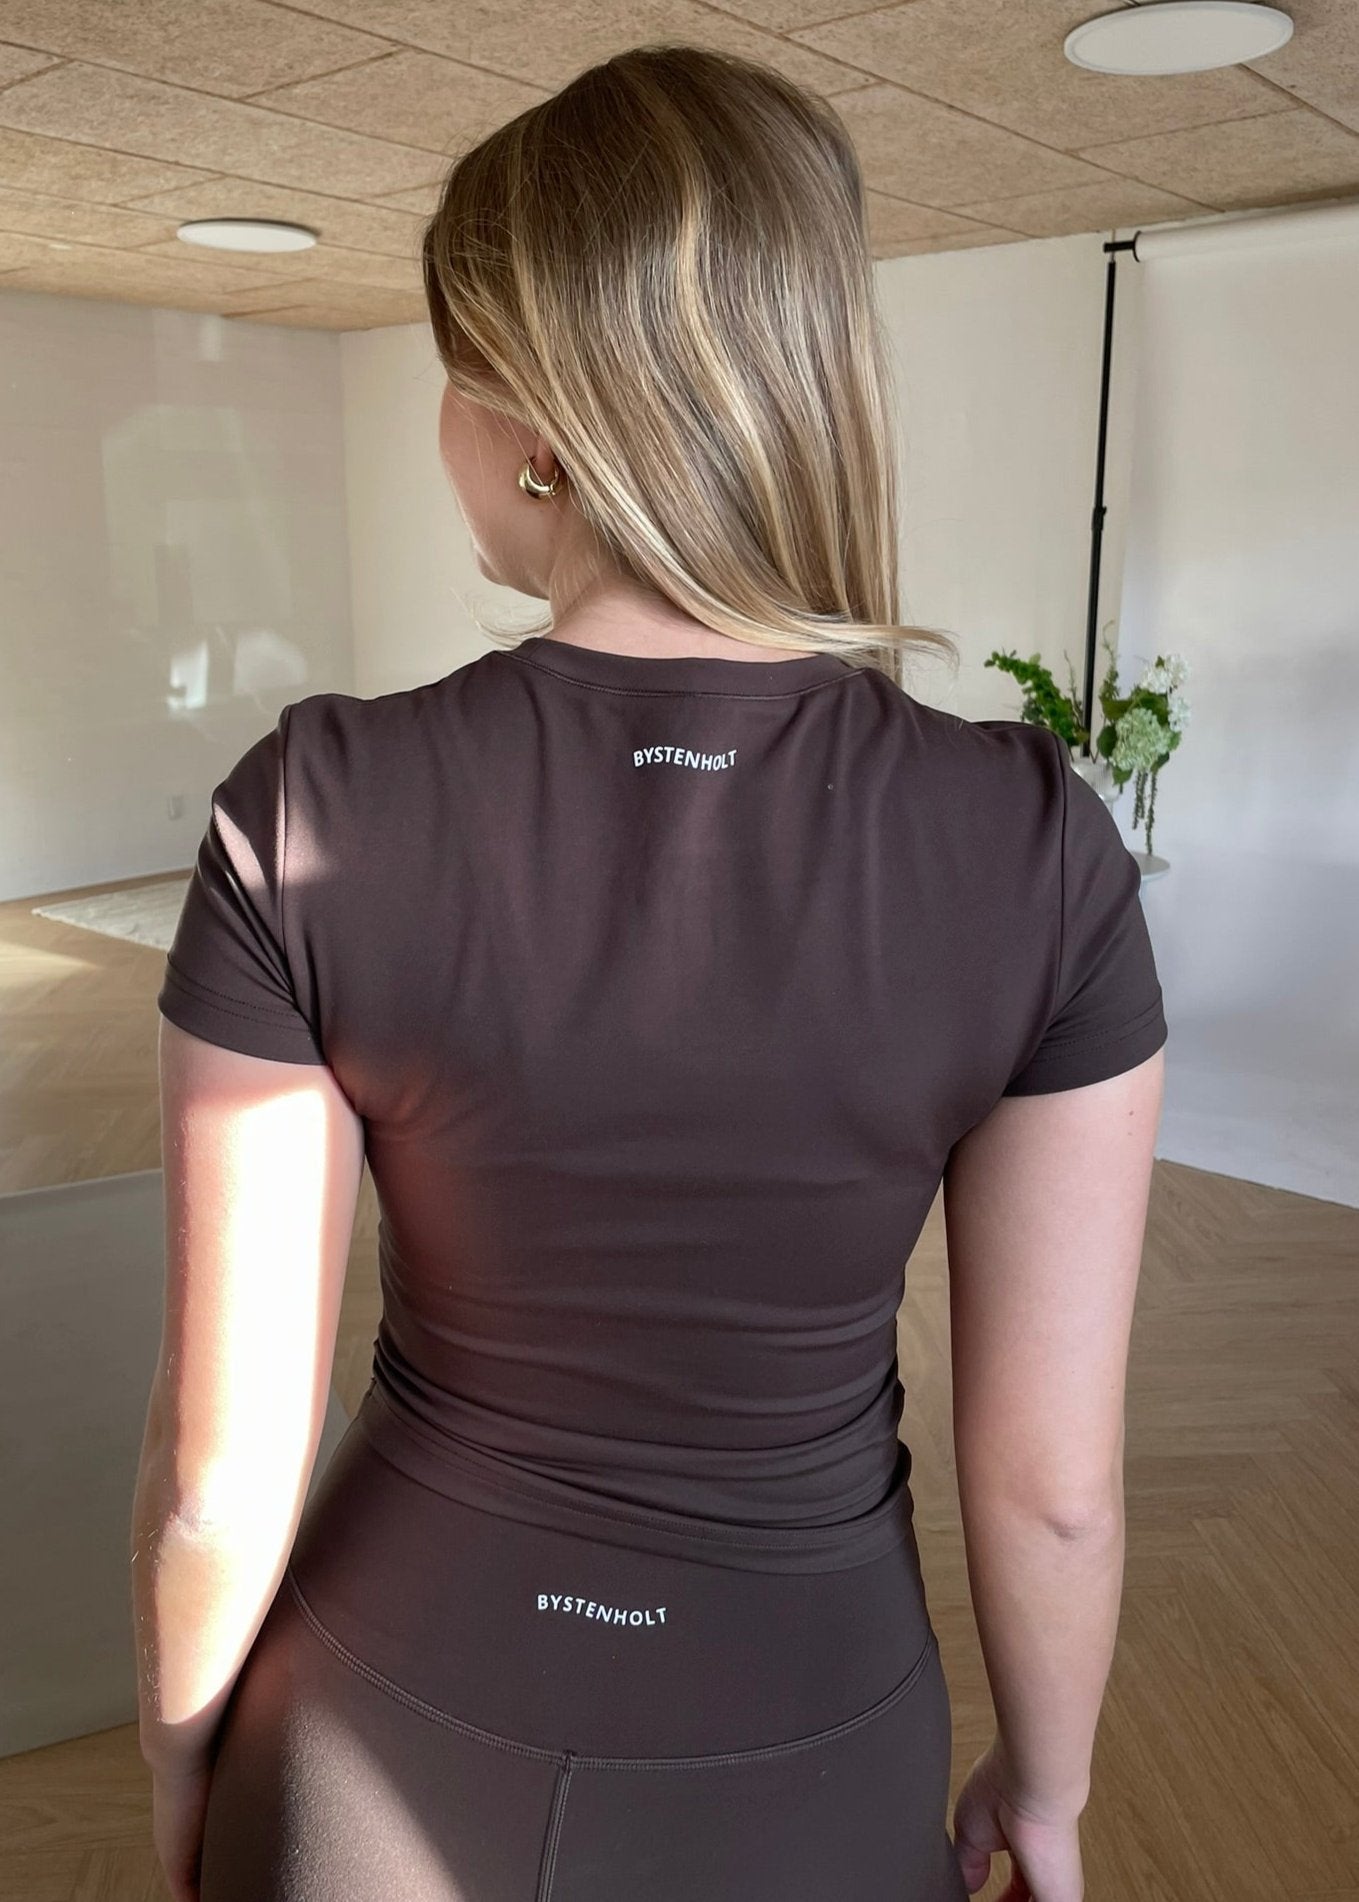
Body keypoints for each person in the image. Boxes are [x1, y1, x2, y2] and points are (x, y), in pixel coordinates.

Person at [131, 41, 1167, 1902]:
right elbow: (1055, 1491)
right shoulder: (1038, 843)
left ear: (528, 419)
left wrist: (183, 1761)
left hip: (362, 1737)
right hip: (807, 1759)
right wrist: (1053, 1784)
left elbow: (220, 1475)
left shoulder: (311, 802)